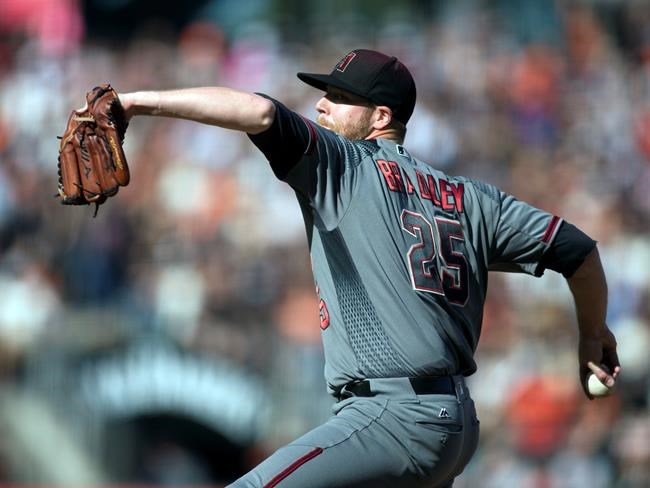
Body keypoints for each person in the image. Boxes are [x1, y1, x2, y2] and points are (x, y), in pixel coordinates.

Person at [118, 49, 621, 487]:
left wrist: (138, 102)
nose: (321, 105)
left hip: (392, 416)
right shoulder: (472, 199)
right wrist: (591, 335)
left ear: (381, 116)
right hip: (455, 423)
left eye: (339, 97)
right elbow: (577, 250)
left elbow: (260, 111)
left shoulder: (345, 165)